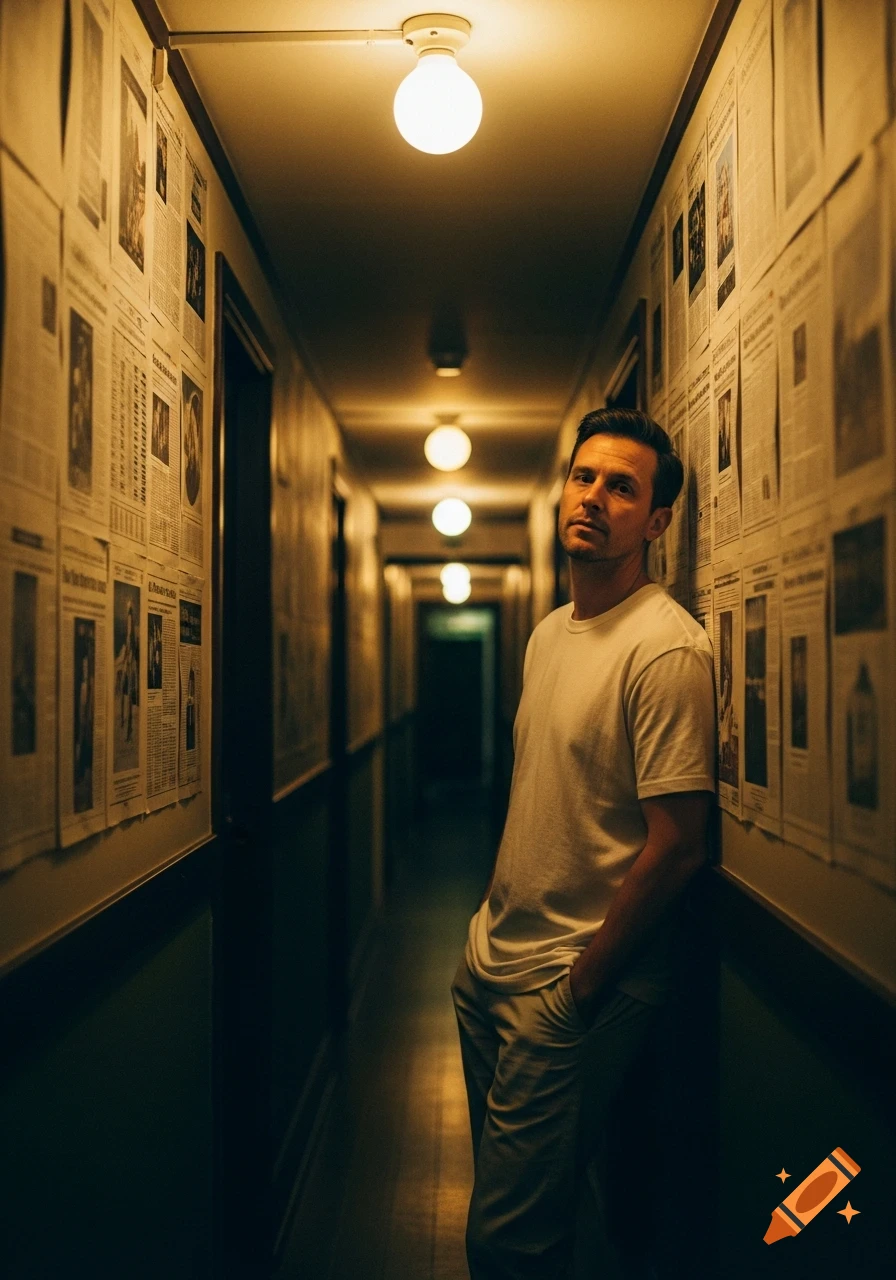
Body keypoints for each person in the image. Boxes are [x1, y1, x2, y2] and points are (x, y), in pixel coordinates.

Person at [451, 407, 716, 1279]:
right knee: (515, 1210)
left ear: (658, 520)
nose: (595, 498)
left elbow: (678, 845)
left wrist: (580, 987)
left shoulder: (666, 648)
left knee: (506, 1244)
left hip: (568, 987)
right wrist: (481, 939)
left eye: (623, 487)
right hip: (491, 967)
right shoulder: (544, 637)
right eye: (585, 477)